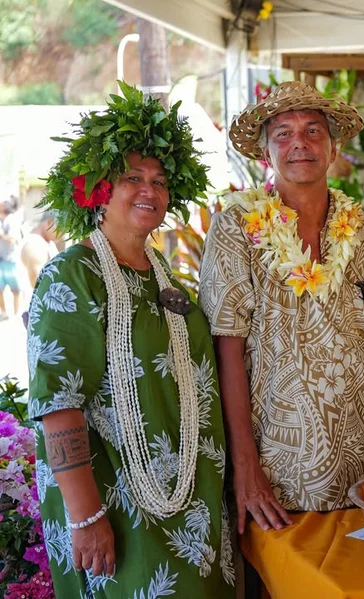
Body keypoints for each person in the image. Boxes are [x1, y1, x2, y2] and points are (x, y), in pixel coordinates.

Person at [27, 82, 234, 597]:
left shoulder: (169, 280)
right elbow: (57, 400)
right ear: (98, 188)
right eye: (132, 177)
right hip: (116, 511)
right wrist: (86, 514)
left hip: (195, 510)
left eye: (160, 181)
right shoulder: (72, 276)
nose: (149, 190)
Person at [199, 82, 364, 531]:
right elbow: (225, 350)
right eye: (283, 133)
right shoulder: (235, 228)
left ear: (333, 148)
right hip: (274, 471)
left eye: (312, 131)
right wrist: (246, 469)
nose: (299, 143)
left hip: (360, 467)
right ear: (266, 152)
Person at [20, 212, 60, 287]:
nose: (62, 235)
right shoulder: (35, 245)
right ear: (49, 222)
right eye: (61, 230)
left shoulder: (48, 243)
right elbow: (38, 284)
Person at [0, 198, 22, 320]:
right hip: (0, 260)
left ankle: (16, 314)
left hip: (10, 260)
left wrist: (2, 235)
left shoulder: (12, 221)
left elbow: (13, 240)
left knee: (15, 289)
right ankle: (4, 313)